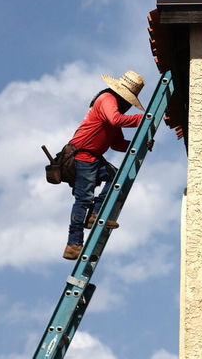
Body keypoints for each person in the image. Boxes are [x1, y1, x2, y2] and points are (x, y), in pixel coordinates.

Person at [62, 70, 145, 260]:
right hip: (82, 156)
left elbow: (117, 144)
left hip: (93, 158)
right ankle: (73, 245)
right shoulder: (107, 99)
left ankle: (95, 214)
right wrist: (143, 119)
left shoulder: (112, 109)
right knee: (83, 199)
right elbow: (115, 119)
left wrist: (140, 144)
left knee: (115, 177)